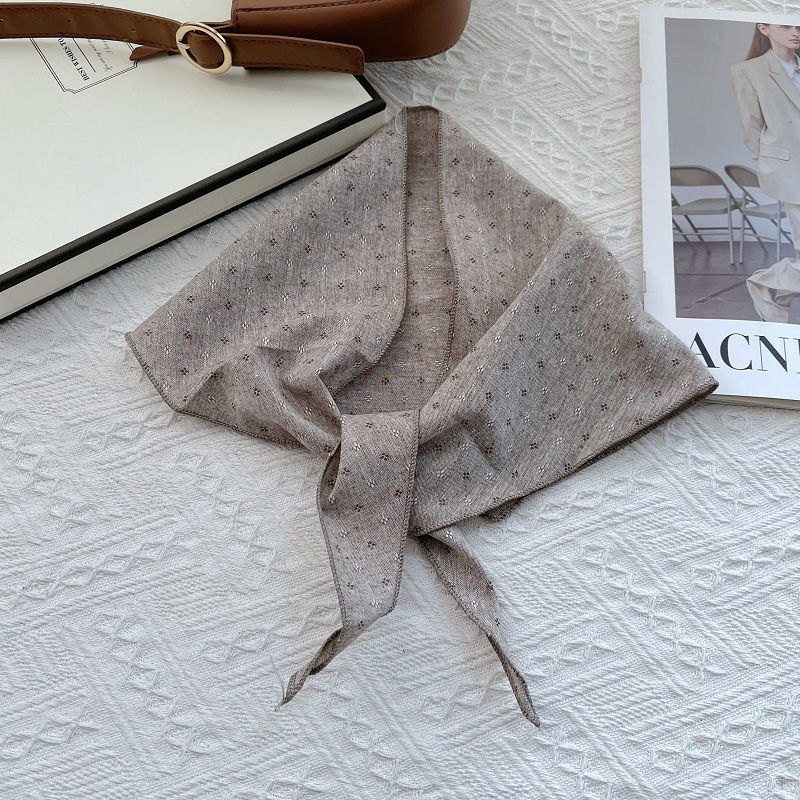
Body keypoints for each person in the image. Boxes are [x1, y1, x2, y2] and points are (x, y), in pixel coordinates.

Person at [732, 23, 800, 323]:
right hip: (791, 170)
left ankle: (768, 287)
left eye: (799, 25)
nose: (795, 32)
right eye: (785, 26)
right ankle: (766, 286)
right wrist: (767, 164)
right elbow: (752, 126)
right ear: (764, 28)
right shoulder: (749, 71)